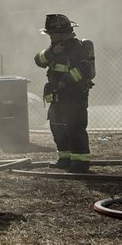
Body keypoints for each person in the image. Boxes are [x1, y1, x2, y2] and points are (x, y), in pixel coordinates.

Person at [35, 13, 94, 173]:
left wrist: (64, 81)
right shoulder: (54, 49)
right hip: (57, 98)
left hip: (74, 97)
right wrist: (52, 52)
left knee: (75, 129)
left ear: (61, 33)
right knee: (58, 129)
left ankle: (80, 163)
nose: (50, 36)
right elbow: (38, 60)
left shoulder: (77, 48)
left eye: (52, 34)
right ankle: (64, 159)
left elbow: (85, 69)